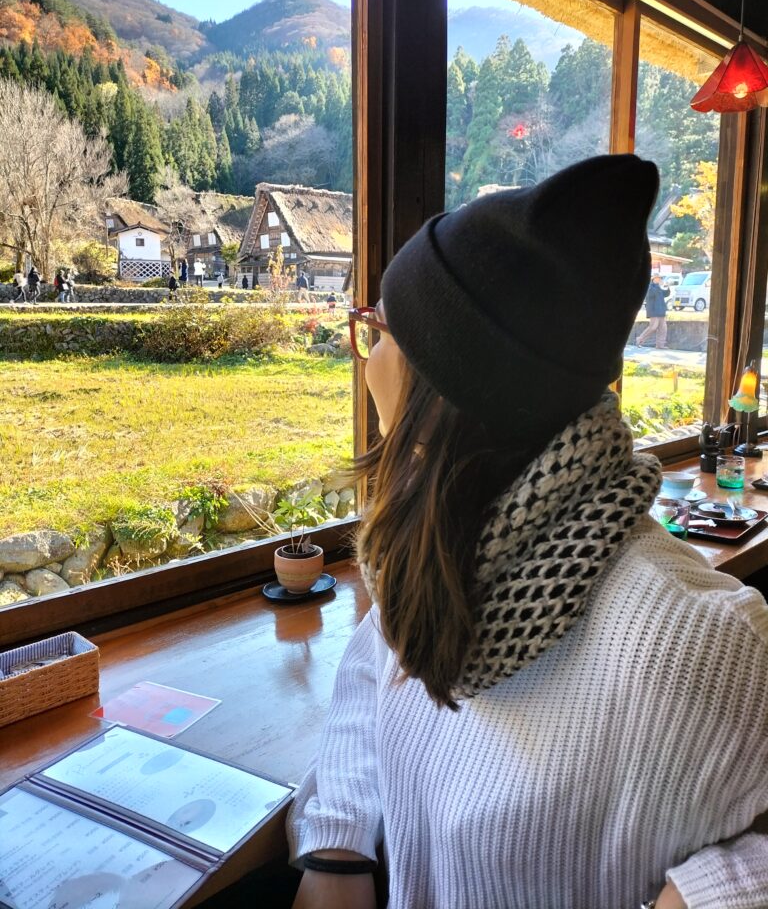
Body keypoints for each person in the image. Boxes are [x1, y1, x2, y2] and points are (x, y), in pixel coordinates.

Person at [287, 156, 768, 909]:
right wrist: (339, 849)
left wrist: (710, 893)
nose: (367, 353)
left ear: (438, 387)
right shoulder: (429, 553)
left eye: (378, 327)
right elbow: (368, 679)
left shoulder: (695, 642)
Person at [636, 273, 670, 349]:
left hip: (661, 311)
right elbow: (652, 293)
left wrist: (667, 287)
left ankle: (660, 345)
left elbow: (666, 294)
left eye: (660, 278)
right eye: (658, 278)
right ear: (654, 279)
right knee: (653, 327)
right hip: (654, 311)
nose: (660, 279)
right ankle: (640, 339)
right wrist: (659, 285)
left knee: (663, 328)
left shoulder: (658, 287)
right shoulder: (650, 287)